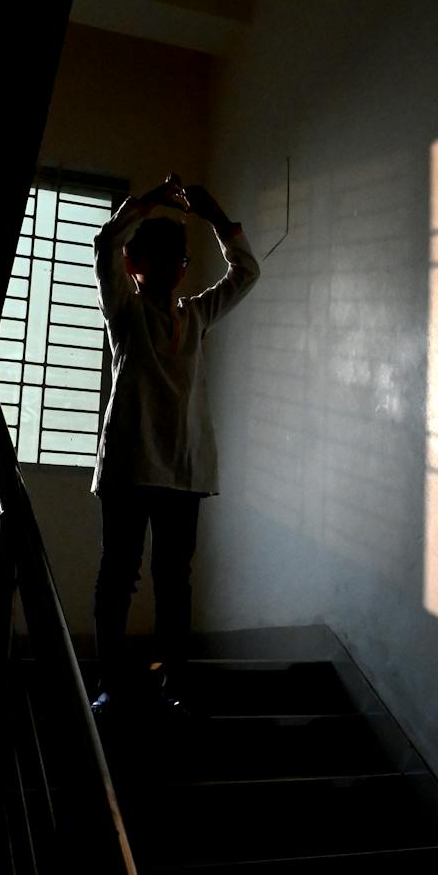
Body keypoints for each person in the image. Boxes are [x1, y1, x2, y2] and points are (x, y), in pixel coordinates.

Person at [90, 174, 259, 713]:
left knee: (173, 582)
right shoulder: (125, 311)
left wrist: (217, 218)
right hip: (130, 466)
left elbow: (247, 272)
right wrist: (150, 203)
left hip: (184, 472)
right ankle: (110, 683)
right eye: (161, 258)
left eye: (179, 259)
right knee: (119, 576)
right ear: (134, 265)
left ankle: (174, 683)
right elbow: (105, 244)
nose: (173, 267)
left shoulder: (195, 315)